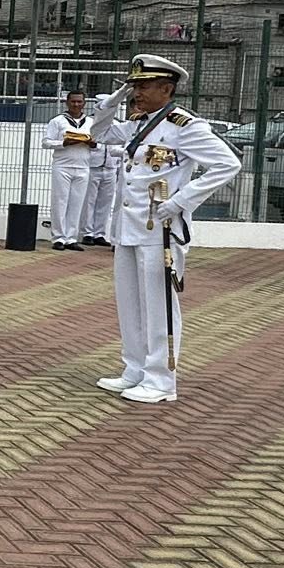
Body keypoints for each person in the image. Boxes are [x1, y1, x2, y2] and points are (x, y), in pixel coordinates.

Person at [87, 55, 241, 404]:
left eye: (143, 86)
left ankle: (161, 380)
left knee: (159, 305)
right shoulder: (139, 123)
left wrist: (182, 200)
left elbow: (227, 164)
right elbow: (98, 133)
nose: (136, 93)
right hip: (129, 226)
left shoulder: (185, 126)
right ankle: (135, 369)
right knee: (130, 302)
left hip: (161, 228)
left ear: (166, 89)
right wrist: (112, 101)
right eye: (134, 86)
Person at [43, 88, 97, 251]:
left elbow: (100, 144)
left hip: (83, 166)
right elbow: (46, 142)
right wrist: (63, 143)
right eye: (73, 101)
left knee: (77, 203)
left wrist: (92, 144)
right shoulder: (58, 121)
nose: (76, 104)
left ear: (84, 103)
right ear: (67, 102)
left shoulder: (91, 122)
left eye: (79, 101)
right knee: (60, 202)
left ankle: (71, 238)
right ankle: (58, 237)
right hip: (62, 166)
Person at [82, 126, 120, 248]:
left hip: (111, 166)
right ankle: (87, 233)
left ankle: (99, 233)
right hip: (93, 165)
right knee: (89, 201)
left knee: (106, 202)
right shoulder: (92, 124)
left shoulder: (118, 125)